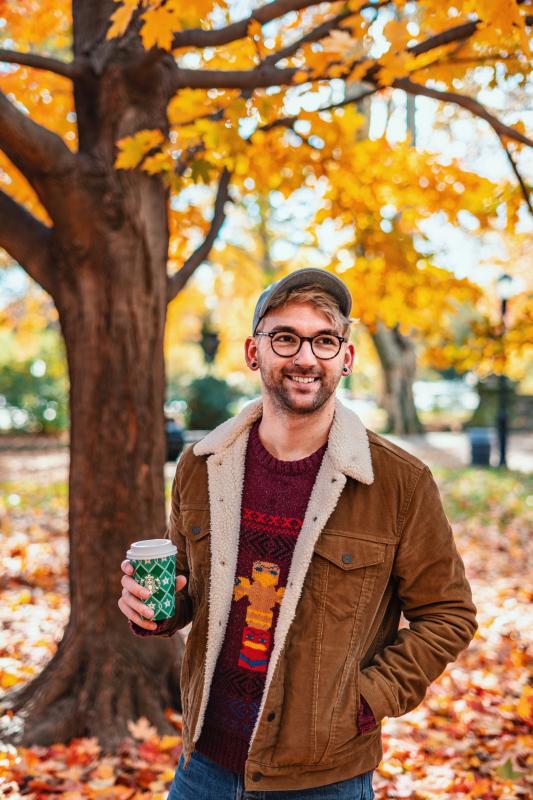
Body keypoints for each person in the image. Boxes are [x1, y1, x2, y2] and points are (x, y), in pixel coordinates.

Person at [118, 268, 478, 799]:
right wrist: (158, 608)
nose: (305, 357)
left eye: (324, 340)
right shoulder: (201, 465)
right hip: (204, 767)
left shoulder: (399, 483)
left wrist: (365, 700)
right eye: (284, 337)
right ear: (253, 352)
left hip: (324, 777)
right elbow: (195, 591)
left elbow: (449, 614)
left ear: (346, 358)